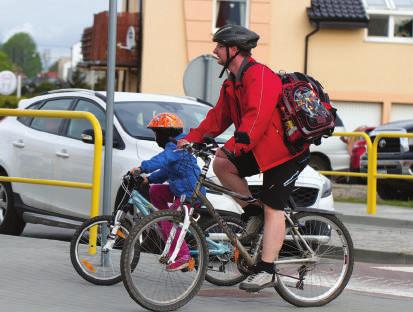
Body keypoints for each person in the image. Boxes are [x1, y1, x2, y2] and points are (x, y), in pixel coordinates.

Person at [177, 24, 310, 291]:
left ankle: (267, 269)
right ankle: (252, 212)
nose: (214, 51)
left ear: (233, 49)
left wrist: (235, 145)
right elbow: (217, 119)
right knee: (222, 164)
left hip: (285, 153)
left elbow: (256, 118)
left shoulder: (260, 75)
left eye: (219, 46)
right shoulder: (231, 83)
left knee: (274, 207)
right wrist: (191, 139)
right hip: (260, 150)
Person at [131, 112, 205, 271]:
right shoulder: (175, 146)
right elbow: (167, 169)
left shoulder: (178, 147)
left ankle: (184, 255)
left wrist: (142, 168)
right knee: (156, 191)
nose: (156, 137)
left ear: (165, 133)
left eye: (157, 133)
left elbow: (163, 159)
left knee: (169, 221)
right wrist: (149, 179)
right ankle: (166, 222)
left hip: (190, 193)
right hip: (180, 190)